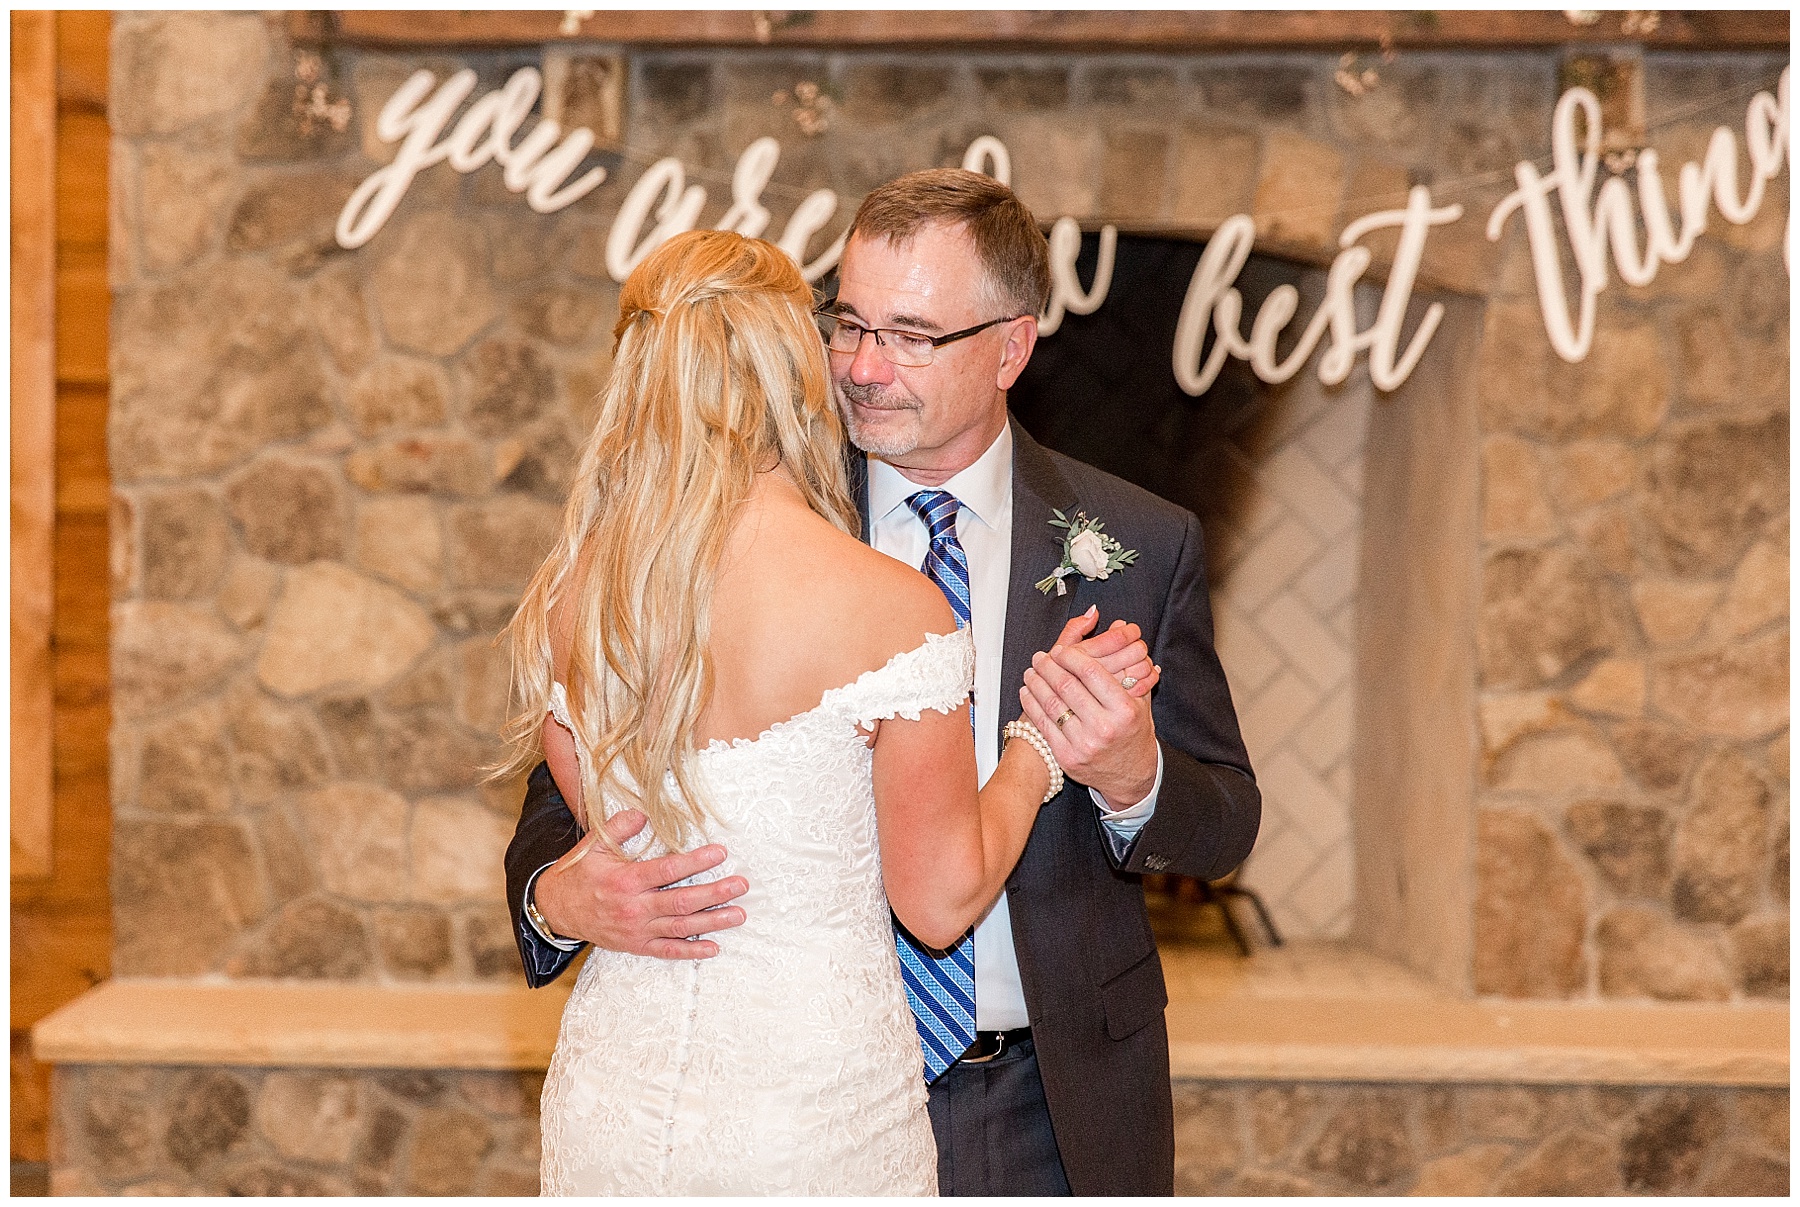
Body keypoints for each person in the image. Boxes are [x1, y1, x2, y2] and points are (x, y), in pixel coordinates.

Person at [505, 171, 1261, 1195]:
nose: (863, 367)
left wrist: (1135, 775)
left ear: (1012, 347)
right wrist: (555, 898)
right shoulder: (742, 530)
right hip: (821, 1098)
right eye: (850, 324)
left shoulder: (1139, 539)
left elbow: (1225, 822)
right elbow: (578, 799)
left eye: (911, 336)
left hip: (1048, 1103)